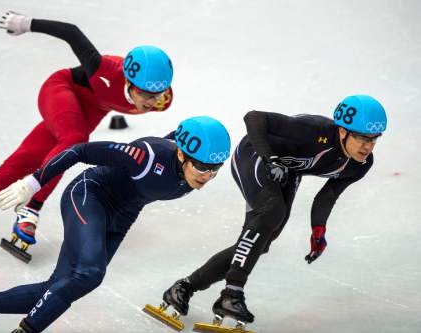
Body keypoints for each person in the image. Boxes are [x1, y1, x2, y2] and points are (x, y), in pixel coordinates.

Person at [0, 116, 231, 333]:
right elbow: (79, 151)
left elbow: (179, 135)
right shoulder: (145, 156)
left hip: (121, 217)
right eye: (202, 167)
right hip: (89, 196)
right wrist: (33, 182)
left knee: (58, 287)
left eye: (215, 170)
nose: (206, 177)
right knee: (90, 273)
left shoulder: (189, 158)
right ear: (182, 154)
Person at [0, 11, 174, 255]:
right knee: (75, 141)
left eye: (158, 95)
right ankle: (32, 207)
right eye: (146, 95)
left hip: (88, 112)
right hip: (62, 90)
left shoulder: (163, 99)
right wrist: (26, 23)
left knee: (14, 168)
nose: (152, 101)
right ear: (129, 81)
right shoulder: (104, 69)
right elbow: (72, 33)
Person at [158, 95, 387, 329]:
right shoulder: (314, 130)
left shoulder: (361, 164)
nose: (367, 146)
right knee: (272, 211)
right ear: (342, 132)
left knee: (263, 241)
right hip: (256, 154)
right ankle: (232, 293)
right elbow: (254, 118)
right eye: (361, 138)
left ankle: (184, 287)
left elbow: (328, 195)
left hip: (287, 171)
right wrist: (271, 159)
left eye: (374, 139)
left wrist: (318, 229)